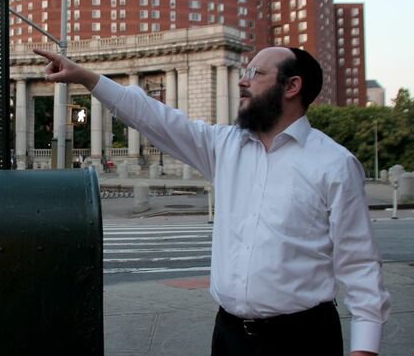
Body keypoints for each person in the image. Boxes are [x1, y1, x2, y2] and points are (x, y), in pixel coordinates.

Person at [34, 46, 390, 356]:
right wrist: (87, 78)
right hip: (230, 337)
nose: (242, 80)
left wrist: (364, 346)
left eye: (256, 73)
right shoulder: (225, 146)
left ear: (292, 86)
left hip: (303, 339)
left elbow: (359, 263)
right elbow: (155, 118)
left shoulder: (334, 164)